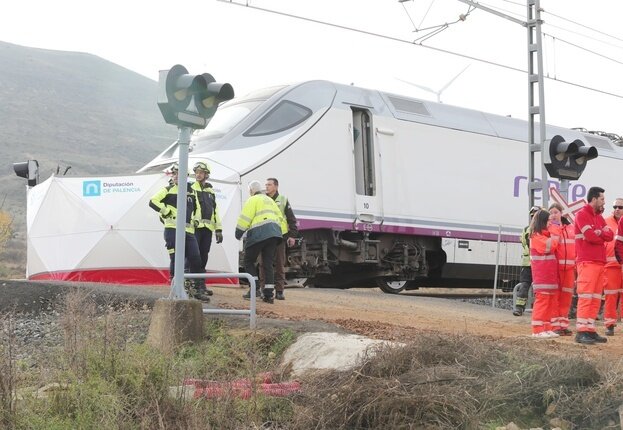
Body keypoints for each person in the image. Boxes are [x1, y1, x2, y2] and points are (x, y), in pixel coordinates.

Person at [149, 163, 210, 302]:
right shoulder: (168, 189)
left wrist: (195, 220)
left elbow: (197, 209)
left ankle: (195, 289)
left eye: (179, 174)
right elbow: (153, 201)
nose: (176, 176)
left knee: (196, 258)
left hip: (188, 231)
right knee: (176, 259)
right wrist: (167, 211)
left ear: (186, 177)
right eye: (174, 174)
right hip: (172, 230)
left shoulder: (191, 191)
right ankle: (175, 289)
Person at [235, 180, 286, 304]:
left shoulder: (252, 200)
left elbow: (245, 217)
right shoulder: (270, 200)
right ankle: (268, 295)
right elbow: (280, 218)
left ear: (252, 191)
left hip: (259, 233)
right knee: (268, 263)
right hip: (274, 234)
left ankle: (255, 288)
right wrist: (279, 235)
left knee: (248, 260)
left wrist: (238, 232)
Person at [574, 186, 613, 345]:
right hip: (587, 261)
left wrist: (599, 233)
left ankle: (589, 329)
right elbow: (590, 237)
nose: (604, 201)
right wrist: (600, 234)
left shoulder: (598, 217)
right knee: (586, 296)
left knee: (595, 297)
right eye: (602, 199)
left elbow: (609, 235)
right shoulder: (582, 215)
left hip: (598, 262)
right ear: (594, 199)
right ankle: (581, 331)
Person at [258, 177, 299, 301]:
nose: (266, 187)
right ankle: (263, 289)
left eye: (269, 185)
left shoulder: (283, 200)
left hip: (279, 237)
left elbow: (291, 219)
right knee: (262, 264)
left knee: (280, 263)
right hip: (264, 236)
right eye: (266, 185)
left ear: (276, 186)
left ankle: (280, 291)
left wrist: (292, 236)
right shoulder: (262, 199)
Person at [191, 161, 223, 296]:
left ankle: (201, 284)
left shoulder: (210, 191)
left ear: (206, 175)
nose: (198, 175)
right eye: (197, 172)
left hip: (207, 229)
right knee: (195, 257)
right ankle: (194, 284)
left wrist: (219, 229)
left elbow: (215, 211)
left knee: (204, 256)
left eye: (201, 173)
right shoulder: (191, 188)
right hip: (195, 229)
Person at [529, 209, 560, 338]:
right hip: (542, 275)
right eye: (548, 221)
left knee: (550, 302)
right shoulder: (535, 236)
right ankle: (537, 330)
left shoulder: (544, 235)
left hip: (549, 275)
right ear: (542, 221)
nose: (550, 223)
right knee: (542, 302)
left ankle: (547, 327)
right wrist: (555, 232)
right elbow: (550, 246)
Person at [548, 202, 575, 336]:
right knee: (555, 297)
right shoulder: (549, 229)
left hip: (569, 269)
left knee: (566, 297)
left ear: (561, 213)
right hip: (555, 268)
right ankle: (555, 325)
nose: (553, 215)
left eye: (556, 212)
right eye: (551, 213)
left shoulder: (571, 228)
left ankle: (563, 325)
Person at [513, 206, 541, 316]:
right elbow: (526, 244)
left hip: (535, 263)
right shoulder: (529, 229)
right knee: (525, 286)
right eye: (533, 216)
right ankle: (519, 308)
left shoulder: (529, 229)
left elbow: (524, 244)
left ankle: (522, 309)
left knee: (531, 287)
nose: (533, 217)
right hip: (531, 263)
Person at [602, 199, 623, 335]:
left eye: (620, 207)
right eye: (615, 206)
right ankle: (609, 324)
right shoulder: (605, 221)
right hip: (610, 266)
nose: (617, 209)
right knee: (610, 296)